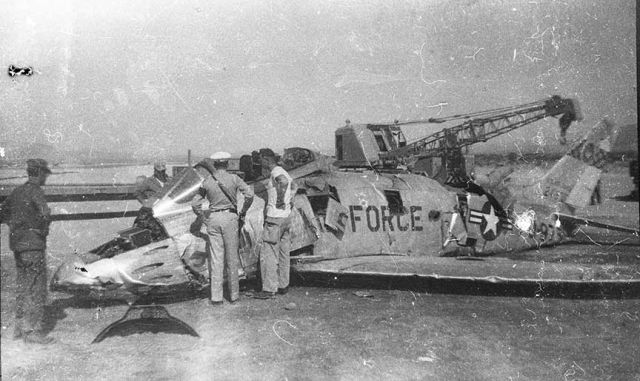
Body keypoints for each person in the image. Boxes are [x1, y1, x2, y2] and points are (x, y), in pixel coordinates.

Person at [0, 159, 54, 344]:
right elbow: (45, 214)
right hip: (34, 246)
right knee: (37, 288)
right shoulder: (36, 191)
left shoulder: (16, 191)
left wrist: (17, 227)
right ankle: (31, 332)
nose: (46, 178)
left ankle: (19, 329)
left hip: (18, 246)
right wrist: (41, 230)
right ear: (39, 173)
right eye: (45, 174)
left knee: (22, 287)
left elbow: (2, 213)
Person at [192, 152, 254, 305]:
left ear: (215, 164)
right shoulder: (234, 178)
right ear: (227, 164)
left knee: (216, 258)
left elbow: (195, 204)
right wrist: (243, 211)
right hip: (230, 218)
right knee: (232, 258)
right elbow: (250, 195)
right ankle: (234, 295)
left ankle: (216, 297)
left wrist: (203, 218)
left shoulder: (207, 181)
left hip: (213, 218)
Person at [254, 149, 295, 299]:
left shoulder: (276, 171)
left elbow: (283, 181)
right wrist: (289, 200)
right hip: (286, 217)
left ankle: (269, 289)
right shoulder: (284, 170)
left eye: (261, 159)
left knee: (269, 254)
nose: (260, 163)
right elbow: (293, 185)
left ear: (266, 159)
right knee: (284, 254)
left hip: (274, 218)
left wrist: (279, 199)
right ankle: (283, 285)